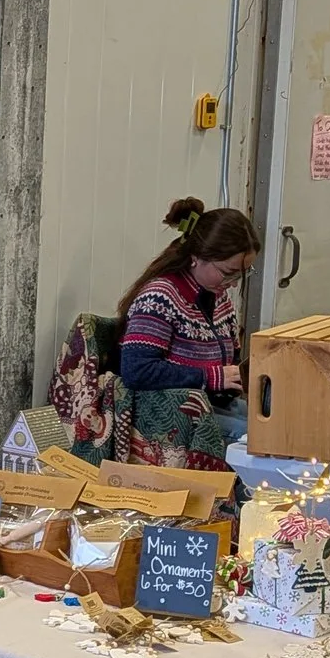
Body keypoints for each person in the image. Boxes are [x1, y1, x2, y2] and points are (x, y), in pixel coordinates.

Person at [113, 198, 260, 470]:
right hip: (165, 414)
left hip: (209, 405)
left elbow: (230, 361)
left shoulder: (219, 299)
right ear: (196, 258)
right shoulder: (160, 297)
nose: (232, 283)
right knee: (258, 443)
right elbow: (136, 371)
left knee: (278, 429)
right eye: (227, 273)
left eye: (242, 274)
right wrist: (211, 376)